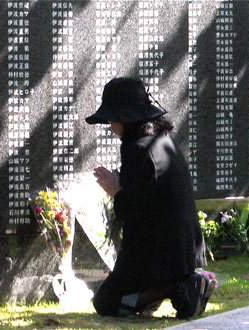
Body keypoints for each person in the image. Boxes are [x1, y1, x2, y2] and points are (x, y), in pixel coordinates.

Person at [85, 77, 215, 318]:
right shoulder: (162, 140)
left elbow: (133, 211)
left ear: (124, 118)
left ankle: (179, 288)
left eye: (113, 118)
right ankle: (182, 284)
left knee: (106, 302)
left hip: (158, 253)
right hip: (184, 250)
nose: (111, 125)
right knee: (119, 296)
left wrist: (115, 191)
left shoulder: (137, 148)